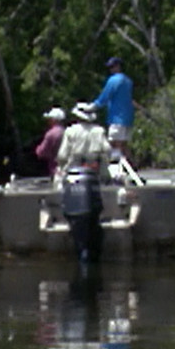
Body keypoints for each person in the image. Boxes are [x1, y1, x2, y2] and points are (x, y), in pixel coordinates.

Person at [56, 102, 110, 265]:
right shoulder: (99, 131)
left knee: (59, 181)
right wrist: (105, 176)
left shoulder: (70, 131)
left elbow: (62, 155)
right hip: (93, 172)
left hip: (73, 173)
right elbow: (106, 151)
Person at [91, 57, 135, 163]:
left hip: (117, 118)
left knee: (115, 144)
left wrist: (94, 106)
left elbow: (105, 96)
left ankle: (117, 171)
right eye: (109, 67)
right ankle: (133, 169)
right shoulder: (128, 81)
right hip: (128, 118)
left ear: (118, 67)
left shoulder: (114, 80)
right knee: (124, 145)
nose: (111, 70)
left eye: (112, 67)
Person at [34, 106, 65, 177]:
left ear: (54, 120)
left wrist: (37, 149)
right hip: (66, 168)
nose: (48, 121)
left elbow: (41, 153)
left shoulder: (51, 134)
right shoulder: (66, 132)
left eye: (49, 119)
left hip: (55, 170)